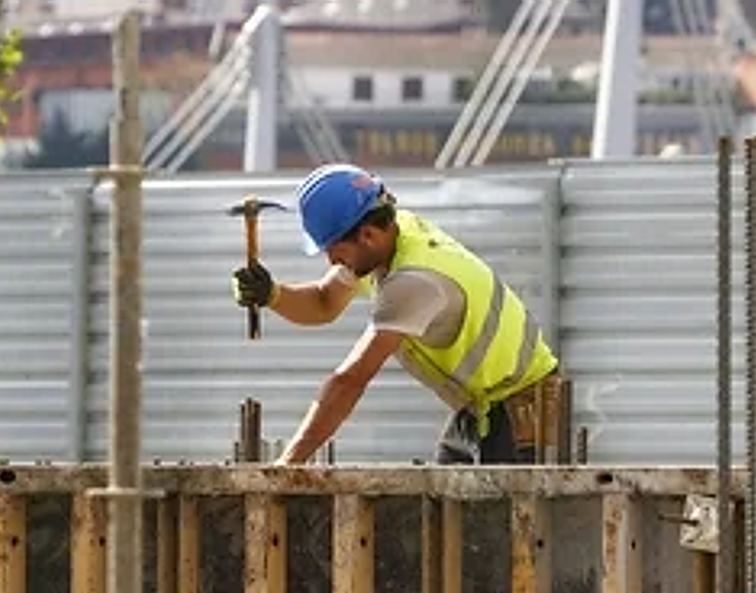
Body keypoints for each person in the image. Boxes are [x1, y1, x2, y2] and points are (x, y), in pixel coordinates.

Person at [232, 163, 563, 465]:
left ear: (367, 236)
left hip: (524, 413)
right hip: (482, 408)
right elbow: (324, 302)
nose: (332, 261)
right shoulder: (390, 235)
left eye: (335, 250)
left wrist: (286, 466)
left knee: (498, 527)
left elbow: (349, 381)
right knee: (441, 514)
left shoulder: (414, 280)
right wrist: (271, 294)